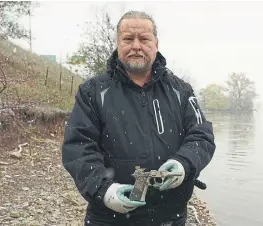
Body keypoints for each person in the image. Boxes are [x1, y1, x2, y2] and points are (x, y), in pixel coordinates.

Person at [61, 10, 216, 226]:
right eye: (128, 39)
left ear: (156, 43)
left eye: (144, 39)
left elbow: (202, 135)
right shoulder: (92, 92)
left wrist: (183, 164)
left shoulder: (181, 90)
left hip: (170, 217)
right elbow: (78, 148)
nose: (136, 45)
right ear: (118, 43)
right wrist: (105, 190)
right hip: (108, 218)